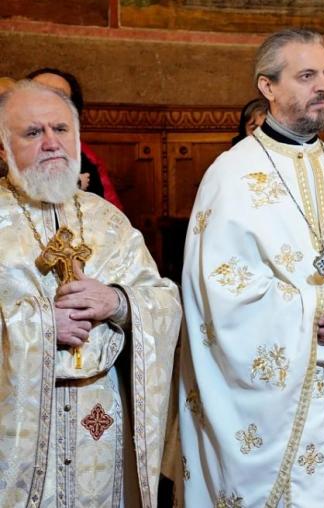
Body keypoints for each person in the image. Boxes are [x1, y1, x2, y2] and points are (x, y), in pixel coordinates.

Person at [179, 29, 324, 506]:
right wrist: (313, 308)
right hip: (283, 411)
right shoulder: (231, 177)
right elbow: (222, 299)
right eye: (306, 76)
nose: (322, 87)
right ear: (267, 86)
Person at [0, 80, 181, 506]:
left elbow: (163, 301)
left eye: (61, 129)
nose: (51, 143)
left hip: (102, 423)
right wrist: (40, 324)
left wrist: (117, 301)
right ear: (3, 148)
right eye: (33, 132)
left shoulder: (107, 220)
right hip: (18, 428)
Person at [27, 67, 124, 210]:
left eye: (58, 98)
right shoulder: (6, 151)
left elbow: (105, 213)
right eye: (37, 95)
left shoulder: (85, 160)